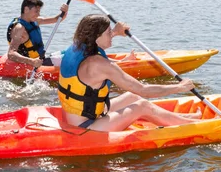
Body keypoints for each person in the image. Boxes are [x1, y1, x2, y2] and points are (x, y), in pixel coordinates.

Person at [58, 14, 202, 132]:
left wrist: (115, 32)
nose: (111, 35)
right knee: (142, 105)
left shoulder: (77, 47)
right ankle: (191, 125)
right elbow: (143, 90)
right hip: (87, 127)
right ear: (96, 36)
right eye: (108, 32)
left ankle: (184, 117)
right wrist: (180, 87)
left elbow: (96, 41)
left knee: (133, 96)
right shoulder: (99, 64)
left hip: (79, 116)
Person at [0, 0, 69, 68]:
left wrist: (64, 11)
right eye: (36, 11)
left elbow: (56, 19)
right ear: (26, 9)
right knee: (68, 59)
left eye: (39, 11)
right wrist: (32, 61)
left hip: (40, 60)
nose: (38, 14)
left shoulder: (36, 21)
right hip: (31, 64)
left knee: (69, 52)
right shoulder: (19, 28)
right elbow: (11, 54)